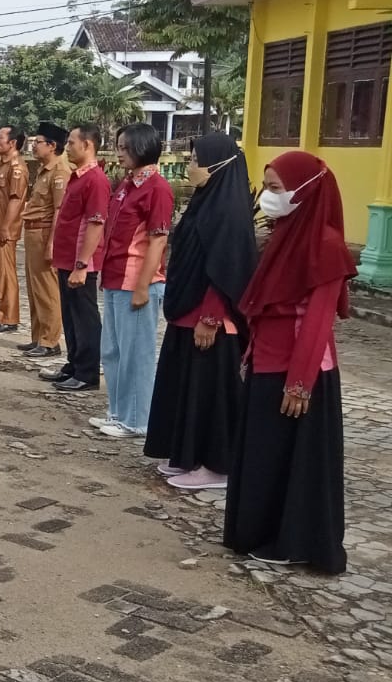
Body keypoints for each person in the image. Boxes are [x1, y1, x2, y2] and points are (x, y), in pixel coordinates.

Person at [224, 152, 355, 573]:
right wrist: (251, 353)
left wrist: (299, 383)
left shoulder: (328, 246)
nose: (269, 198)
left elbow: (317, 321)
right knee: (264, 454)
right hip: (266, 362)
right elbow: (261, 306)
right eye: (267, 189)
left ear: (305, 191)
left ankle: (293, 541)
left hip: (301, 374)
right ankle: (256, 531)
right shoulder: (283, 235)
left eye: (278, 189)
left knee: (296, 463)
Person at [145, 132, 257, 490]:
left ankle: (217, 465)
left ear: (219, 165)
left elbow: (225, 271)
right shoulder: (204, 202)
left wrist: (210, 318)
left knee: (209, 395)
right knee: (184, 389)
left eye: (195, 161)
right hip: (185, 312)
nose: (191, 167)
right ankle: (186, 455)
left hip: (211, 320)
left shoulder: (229, 212)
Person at [94, 123, 173, 438]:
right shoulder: (127, 184)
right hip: (115, 276)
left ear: (142, 147)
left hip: (137, 280)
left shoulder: (157, 188)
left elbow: (158, 239)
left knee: (136, 352)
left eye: (125, 147)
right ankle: (118, 410)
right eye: (119, 146)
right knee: (112, 350)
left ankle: (138, 418)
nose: (120, 153)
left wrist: (143, 286)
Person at [43, 124, 109, 393]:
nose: (67, 147)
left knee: (84, 317)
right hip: (67, 257)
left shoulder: (95, 180)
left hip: (82, 262)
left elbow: (95, 224)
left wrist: (82, 265)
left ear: (88, 145)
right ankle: (74, 363)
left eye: (71, 143)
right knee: (70, 316)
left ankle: (87, 372)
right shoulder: (77, 176)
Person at [19, 123, 71, 359]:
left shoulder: (60, 172)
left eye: (38, 142)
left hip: (44, 233)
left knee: (47, 289)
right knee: (34, 288)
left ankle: (50, 340)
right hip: (32, 233)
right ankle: (37, 336)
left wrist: (52, 243)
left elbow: (59, 211)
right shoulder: (43, 170)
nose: (33, 146)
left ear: (52, 146)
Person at [0, 126, 28, 335]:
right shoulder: (3, 165)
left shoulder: (16, 167)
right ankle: (1, 314)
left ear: (12, 143)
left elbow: (16, 200)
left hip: (4, 230)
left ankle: (10, 317)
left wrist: (6, 226)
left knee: (6, 274)